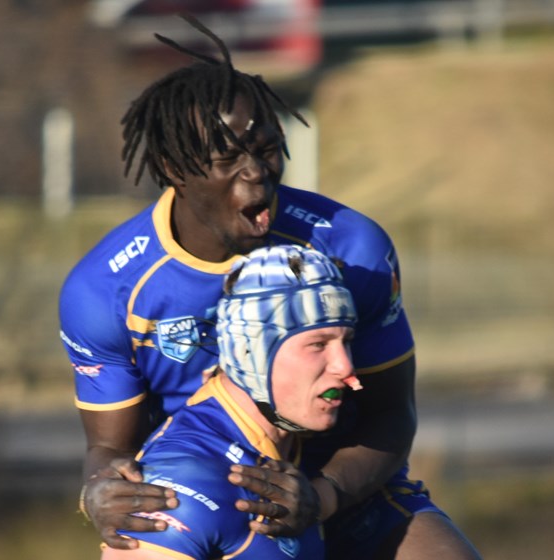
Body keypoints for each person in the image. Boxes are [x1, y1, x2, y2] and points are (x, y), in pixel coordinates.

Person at [59, 14, 481, 560]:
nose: (256, 172)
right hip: (212, 492)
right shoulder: (107, 289)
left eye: (266, 148)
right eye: (228, 157)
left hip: (342, 483)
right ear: (173, 167)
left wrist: (323, 495)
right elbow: (109, 448)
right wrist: (97, 492)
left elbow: (390, 414)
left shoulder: (349, 247)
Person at [99, 244, 359, 559]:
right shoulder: (179, 492)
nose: (345, 367)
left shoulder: (297, 440)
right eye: (318, 344)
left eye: (346, 342)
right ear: (249, 352)